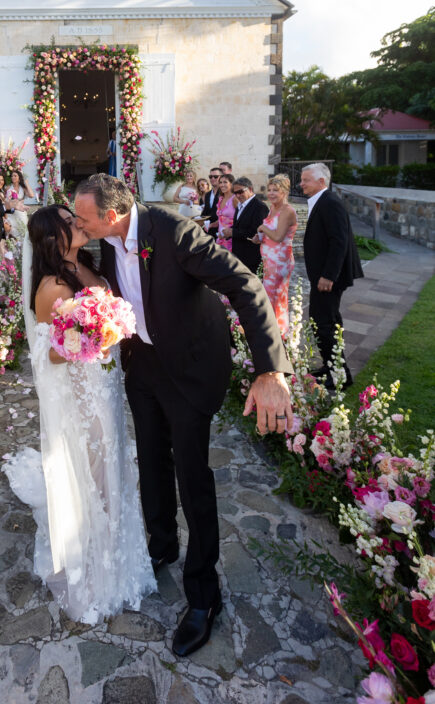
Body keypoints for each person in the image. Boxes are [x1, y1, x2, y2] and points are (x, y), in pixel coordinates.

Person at [73, 174, 293, 657]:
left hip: (191, 369)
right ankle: (162, 544)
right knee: (152, 461)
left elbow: (246, 284)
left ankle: (203, 596)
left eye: (83, 217)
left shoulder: (175, 233)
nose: (78, 223)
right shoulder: (107, 239)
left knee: (193, 477)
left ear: (111, 216)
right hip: (144, 366)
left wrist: (269, 370)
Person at [3, 205, 156, 623]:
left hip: (106, 387)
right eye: (71, 222)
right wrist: (95, 333)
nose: (79, 224)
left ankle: (120, 557)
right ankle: (95, 573)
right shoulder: (51, 287)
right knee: (96, 476)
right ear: (54, 237)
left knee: (114, 472)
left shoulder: (88, 263)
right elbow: (47, 353)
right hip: (83, 394)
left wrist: (107, 324)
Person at [300, 163, 363, 389]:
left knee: (323, 322)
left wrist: (328, 275)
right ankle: (331, 366)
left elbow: (339, 241)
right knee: (327, 321)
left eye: (306, 179)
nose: (301, 183)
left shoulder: (330, 202)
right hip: (323, 276)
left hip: (328, 278)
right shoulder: (323, 201)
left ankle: (340, 376)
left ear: (321, 182)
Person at [256, 174, 298, 338]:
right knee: (270, 296)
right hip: (269, 261)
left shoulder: (287, 211)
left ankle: (279, 334)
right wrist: (258, 237)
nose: (271, 193)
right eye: (270, 190)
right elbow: (271, 233)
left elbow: (279, 236)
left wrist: (262, 228)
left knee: (276, 297)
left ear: (285, 192)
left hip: (280, 261)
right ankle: (271, 332)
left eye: (276, 190)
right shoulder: (273, 208)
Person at [230, 177, 268, 274]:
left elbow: (256, 233)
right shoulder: (240, 205)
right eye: (235, 193)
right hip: (239, 254)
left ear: (250, 189)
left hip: (251, 257)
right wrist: (229, 231)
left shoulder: (260, 207)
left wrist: (233, 232)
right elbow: (239, 226)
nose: (238, 195)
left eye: (240, 192)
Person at [5, 169, 35, 236]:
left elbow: (31, 195)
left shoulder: (23, 188)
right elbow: (5, 201)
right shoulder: (8, 188)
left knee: (23, 231)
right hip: (11, 213)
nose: (13, 177)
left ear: (19, 178)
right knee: (12, 233)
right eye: (12, 176)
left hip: (21, 213)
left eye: (15, 176)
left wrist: (26, 183)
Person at [197, 167, 222, 237]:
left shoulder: (224, 193)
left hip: (221, 230)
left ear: (221, 177)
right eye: (210, 177)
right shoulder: (207, 195)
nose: (212, 179)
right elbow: (206, 212)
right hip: (208, 230)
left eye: (215, 176)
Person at [215, 173, 236, 250]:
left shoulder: (235, 199)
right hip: (220, 238)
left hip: (231, 239)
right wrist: (211, 225)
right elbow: (220, 219)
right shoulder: (220, 199)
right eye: (220, 182)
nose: (222, 185)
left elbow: (241, 219)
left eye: (225, 182)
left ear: (231, 184)